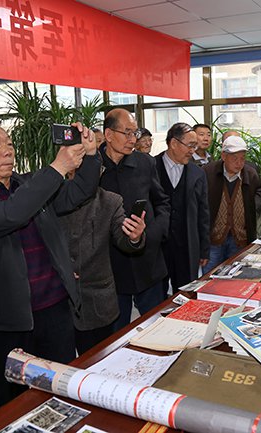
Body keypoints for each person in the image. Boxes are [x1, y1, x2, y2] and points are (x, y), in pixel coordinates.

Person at [0, 120, 101, 408]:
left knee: (61, 391)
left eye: (9, 144)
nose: (8, 150)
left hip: (55, 310)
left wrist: (91, 156)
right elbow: (10, 214)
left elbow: (79, 192)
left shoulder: (29, 185)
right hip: (8, 322)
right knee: (16, 401)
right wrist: (57, 167)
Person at [59, 166, 146, 354]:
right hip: (59, 302)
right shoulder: (52, 198)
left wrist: (134, 237)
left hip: (97, 303)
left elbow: (122, 239)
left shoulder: (110, 201)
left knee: (98, 360)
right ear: (70, 170)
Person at [100, 109, 171, 330]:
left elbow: (162, 202)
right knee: (115, 336)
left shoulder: (145, 163)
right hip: (111, 268)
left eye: (135, 133)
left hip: (148, 262)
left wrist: (153, 234)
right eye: (127, 133)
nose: (133, 139)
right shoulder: (90, 167)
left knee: (156, 330)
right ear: (108, 135)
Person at [154, 123, 210, 292]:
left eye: (195, 146)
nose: (193, 151)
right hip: (157, 248)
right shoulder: (150, 167)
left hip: (186, 246)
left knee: (185, 293)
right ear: (173, 143)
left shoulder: (197, 173)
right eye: (190, 145)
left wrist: (204, 250)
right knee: (156, 295)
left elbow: (203, 214)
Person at [203, 135, 261, 273]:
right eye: (235, 159)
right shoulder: (208, 172)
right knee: (209, 277)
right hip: (214, 239)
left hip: (240, 238)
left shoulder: (250, 174)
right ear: (223, 156)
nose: (239, 163)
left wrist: (252, 207)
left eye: (242, 158)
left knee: (237, 276)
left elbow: (260, 192)